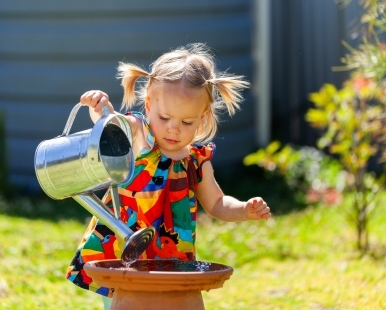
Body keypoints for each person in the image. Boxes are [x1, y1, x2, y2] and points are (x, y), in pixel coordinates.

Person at [65, 44, 271, 308]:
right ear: (149, 105)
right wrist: (100, 108)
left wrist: (244, 209)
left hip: (171, 258)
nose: (174, 130)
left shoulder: (196, 160)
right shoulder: (141, 135)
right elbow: (111, 125)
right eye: (164, 118)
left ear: (202, 117)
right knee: (128, 303)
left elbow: (217, 204)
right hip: (125, 251)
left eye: (187, 123)